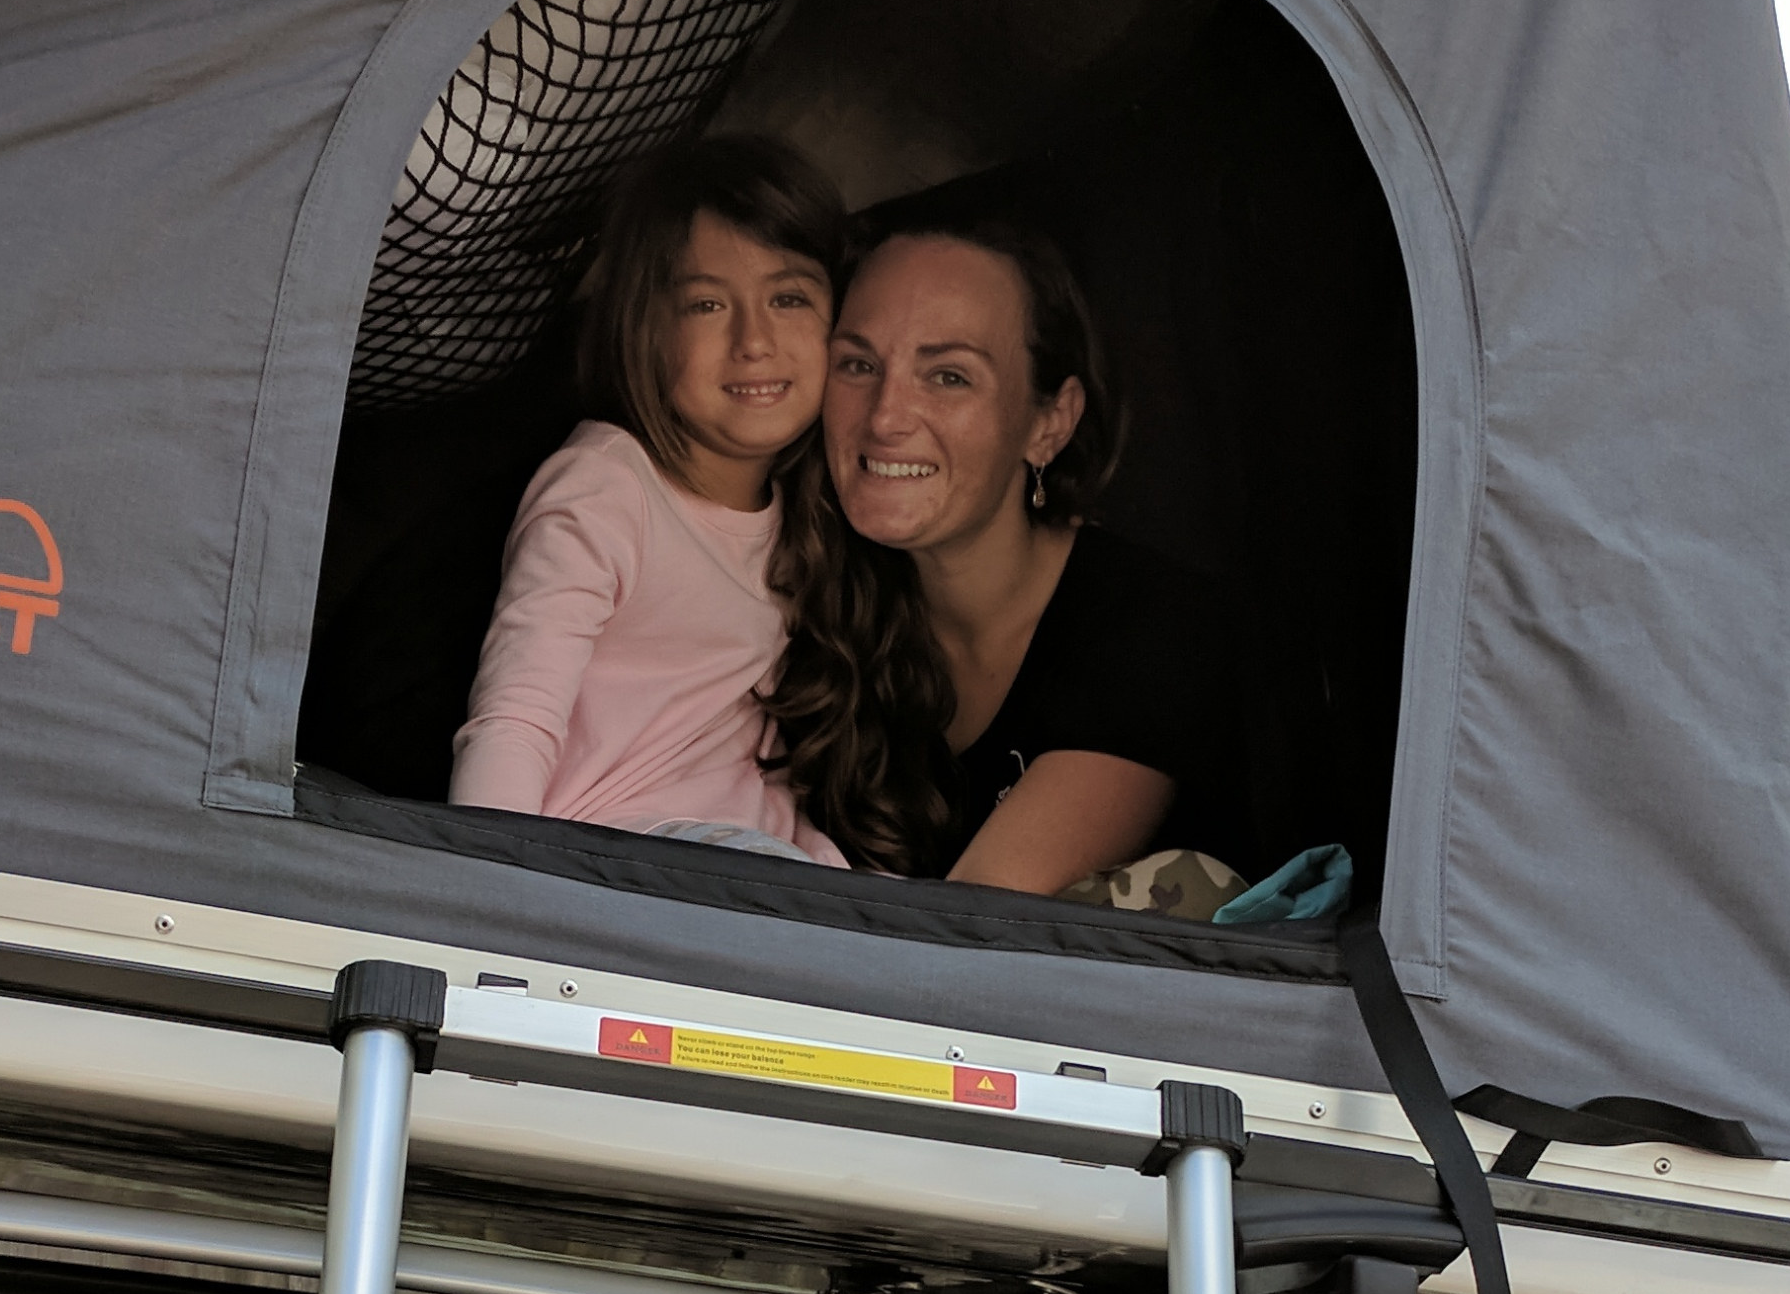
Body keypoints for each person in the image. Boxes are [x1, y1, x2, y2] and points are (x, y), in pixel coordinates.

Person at [769, 212, 1245, 891]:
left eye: (949, 377)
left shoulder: (1156, 629)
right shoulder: (809, 605)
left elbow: (974, 925)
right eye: (858, 364)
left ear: (1050, 423)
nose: (884, 416)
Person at [450, 135, 851, 861]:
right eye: (706, 304)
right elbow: (515, 719)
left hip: (749, 850)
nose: (754, 340)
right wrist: (484, 890)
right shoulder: (607, 487)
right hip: (610, 852)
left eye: (789, 298)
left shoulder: (811, 511)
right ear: (645, 327)